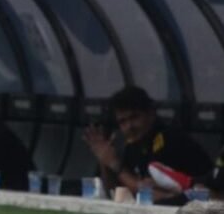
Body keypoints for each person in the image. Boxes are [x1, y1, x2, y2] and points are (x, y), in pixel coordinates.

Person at [84, 86, 213, 205]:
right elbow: (117, 191)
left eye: (134, 117)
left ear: (151, 113)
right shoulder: (133, 144)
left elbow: (148, 194)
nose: (129, 126)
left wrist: (115, 164)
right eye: (123, 122)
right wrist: (104, 160)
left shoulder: (168, 139)